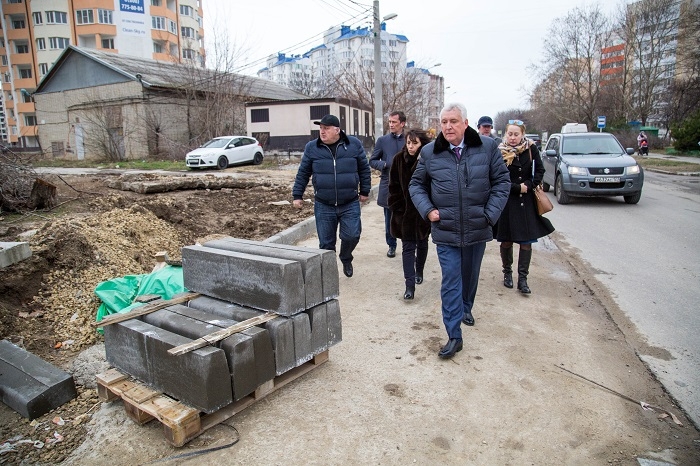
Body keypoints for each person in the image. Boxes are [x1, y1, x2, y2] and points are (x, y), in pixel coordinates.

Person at [409, 103, 510, 359]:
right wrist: (428, 210)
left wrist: (490, 214)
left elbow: (502, 182)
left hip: (478, 227)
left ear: (466, 123)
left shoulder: (486, 148)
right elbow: (416, 185)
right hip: (446, 229)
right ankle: (454, 334)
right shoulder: (430, 152)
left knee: (470, 275)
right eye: (443, 122)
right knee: (451, 279)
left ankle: (466, 307)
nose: (448, 126)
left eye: (453, 121)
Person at [292, 114, 372, 278]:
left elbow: (364, 169)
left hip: (349, 202)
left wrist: (365, 191)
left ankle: (346, 257)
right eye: (321, 128)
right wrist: (297, 195)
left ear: (337, 130)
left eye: (326, 128)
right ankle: (329, 276)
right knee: (326, 244)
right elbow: (303, 173)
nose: (322, 131)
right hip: (324, 204)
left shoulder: (353, 144)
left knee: (352, 235)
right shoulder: (312, 147)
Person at [495, 120, 555, 295]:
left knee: (526, 241)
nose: (513, 138)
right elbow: (497, 176)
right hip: (507, 201)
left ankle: (523, 279)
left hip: (526, 201)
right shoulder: (500, 152)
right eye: (510, 134)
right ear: (505, 134)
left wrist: (528, 185)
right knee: (506, 239)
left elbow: (540, 171)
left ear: (522, 134)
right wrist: (515, 187)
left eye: (516, 134)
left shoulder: (531, 149)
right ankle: (507, 273)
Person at [387, 129, 432, 300]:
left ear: (422, 144)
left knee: (422, 242)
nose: (411, 146)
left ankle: (419, 269)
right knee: (407, 247)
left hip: (423, 212)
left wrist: (429, 208)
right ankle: (409, 286)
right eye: (408, 143)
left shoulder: (428, 159)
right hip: (404, 213)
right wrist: (397, 208)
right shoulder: (398, 159)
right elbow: (393, 186)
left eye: (415, 143)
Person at [370, 111, 406, 258]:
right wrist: (384, 164)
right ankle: (391, 245)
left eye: (394, 122)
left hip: (406, 186)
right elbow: (372, 160)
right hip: (388, 185)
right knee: (389, 218)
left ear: (402, 124)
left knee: (406, 217)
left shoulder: (409, 140)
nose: (391, 124)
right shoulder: (382, 141)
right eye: (389, 122)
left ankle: (407, 245)